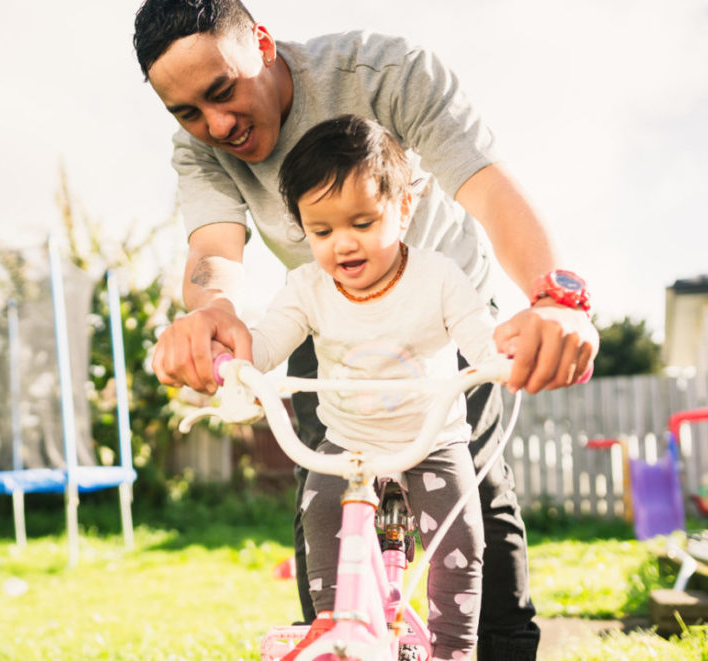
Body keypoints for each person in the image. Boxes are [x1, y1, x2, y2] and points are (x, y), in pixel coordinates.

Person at [133, 2, 599, 658]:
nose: (215, 124)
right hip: (327, 322)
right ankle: (340, 636)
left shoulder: (387, 73)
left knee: (473, 499)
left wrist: (553, 299)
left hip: (441, 321)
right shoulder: (200, 146)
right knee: (323, 495)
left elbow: (489, 189)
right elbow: (214, 250)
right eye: (186, 112)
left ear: (263, 45)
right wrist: (211, 313)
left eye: (222, 91)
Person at [247, 114, 494, 660]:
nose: (343, 245)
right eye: (322, 231)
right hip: (348, 443)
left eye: (362, 222)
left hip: (431, 440)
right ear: (302, 227)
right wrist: (233, 364)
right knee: (319, 514)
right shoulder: (307, 287)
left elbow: (481, 339)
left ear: (405, 208)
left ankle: (454, 650)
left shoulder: (438, 277)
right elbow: (263, 345)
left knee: (462, 544)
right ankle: (337, 634)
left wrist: (503, 359)